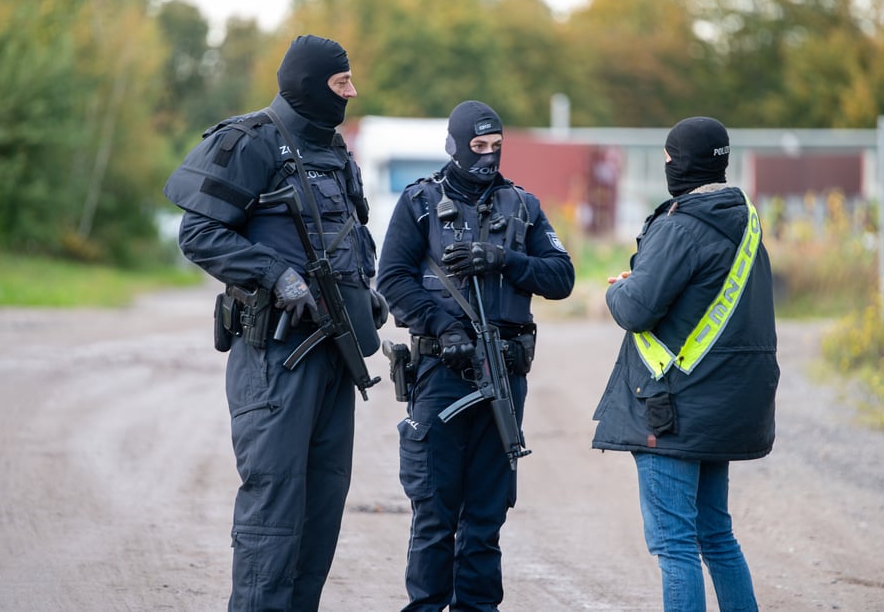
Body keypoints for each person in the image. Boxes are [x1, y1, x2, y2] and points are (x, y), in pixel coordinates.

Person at [163, 34, 387, 611]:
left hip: (336, 356)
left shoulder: (338, 154)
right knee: (275, 510)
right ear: (313, 85)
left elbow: (352, 237)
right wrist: (274, 274)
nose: (352, 92)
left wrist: (367, 294)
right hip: (275, 359)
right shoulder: (251, 140)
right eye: (342, 83)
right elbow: (199, 233)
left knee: (321, 510)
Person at [376, 100, 575, 611]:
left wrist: (504, 259)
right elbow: (392, 279)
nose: (487, 158)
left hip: (504, 374)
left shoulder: (523, 206)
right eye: (477, 148)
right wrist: (443, 327)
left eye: (495, 148)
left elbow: (561, 277)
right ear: (455, 147)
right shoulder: (420, 203)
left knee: (485, 518)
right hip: (442, 373)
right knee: (436, 515)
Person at [592, 116, 779, 612]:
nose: (667, 166)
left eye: (670, 158)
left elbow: (635, 309)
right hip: (723, 405)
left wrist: (619, 289)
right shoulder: (744, 220)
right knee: (716, 536)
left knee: (675, 546)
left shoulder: (681, 225)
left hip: (672, 411)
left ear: (681, 163)